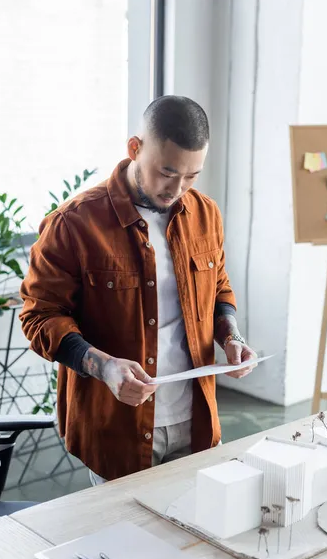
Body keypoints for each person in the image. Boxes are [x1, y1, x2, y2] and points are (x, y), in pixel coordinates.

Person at [20, 95, 257, 485]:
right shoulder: (74, 224)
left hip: (195, 420)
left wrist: (231, 336)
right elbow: (39, 316)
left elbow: (218, 287)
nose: (176, 188)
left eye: (191, 176)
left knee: (192, 538)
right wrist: (105, 366)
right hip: (117, 428)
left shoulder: (205, 214)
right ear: (135, 148)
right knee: (122, 542)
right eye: (166, 172)